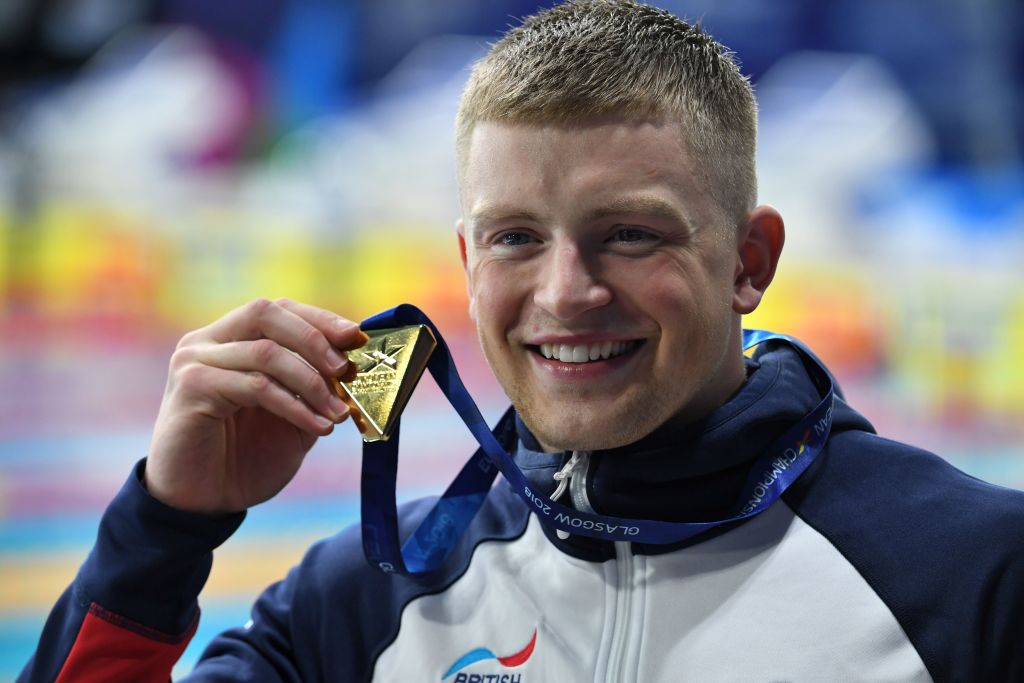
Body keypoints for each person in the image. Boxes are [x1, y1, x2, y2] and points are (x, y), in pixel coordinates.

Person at [19, 1, 1024, 681]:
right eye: (514, 239)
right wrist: (163, 524)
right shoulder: (364, 606)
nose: (565, 291)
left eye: (627, 233)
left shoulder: (968, 574)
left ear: (748, 259)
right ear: (464, 263)